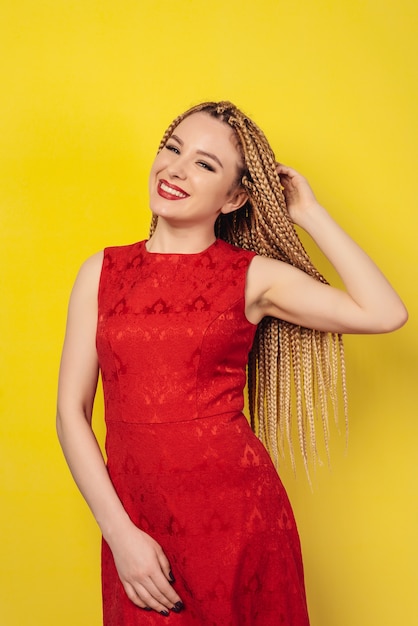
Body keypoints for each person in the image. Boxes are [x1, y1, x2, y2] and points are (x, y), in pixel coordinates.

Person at [56, 101, 407, 625]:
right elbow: (70, 412)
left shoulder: (254, 277)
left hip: (240, 523)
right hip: (136, 524)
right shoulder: (101, 271)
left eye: (205, 164)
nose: (175, 169)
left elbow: (385, 313)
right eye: (172, 149)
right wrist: (120, 534)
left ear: (235, 197)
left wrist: (309, 213)